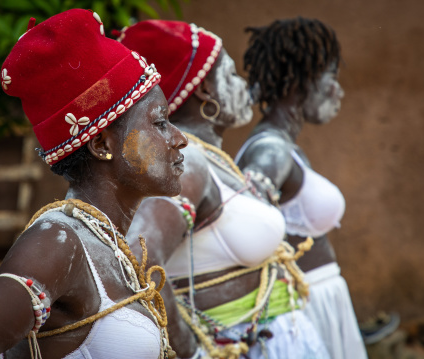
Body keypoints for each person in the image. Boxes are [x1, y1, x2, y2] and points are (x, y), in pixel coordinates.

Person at [0, 9, 192, 359]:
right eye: (159, 123)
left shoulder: (106, 242)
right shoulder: (57, 241)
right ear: (101, 145)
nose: (179, 139)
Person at [121, 20, 329, 359]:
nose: (243, 84)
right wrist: (192, 350)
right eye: (231, 75)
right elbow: (139, 260)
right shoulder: (186, 161)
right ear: (204, 90)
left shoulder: (209, 158)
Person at [235, 17, 368, 359]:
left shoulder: (283, 148)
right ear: (300, 80)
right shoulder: (270, 151)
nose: (338, 90)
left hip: (317, 299)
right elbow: (245, 225)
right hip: (302, 309)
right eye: (332, 76)